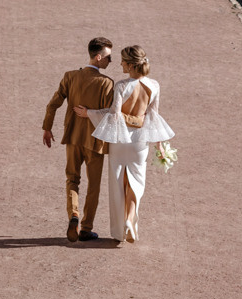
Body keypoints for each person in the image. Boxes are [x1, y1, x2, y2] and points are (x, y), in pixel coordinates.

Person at [74, 44, 174, 247]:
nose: (119, 63)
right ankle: (130, 219)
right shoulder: (154, 85)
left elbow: (114, 115)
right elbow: (153, 117)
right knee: (136, 182)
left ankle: (120, 229)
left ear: (129, 65)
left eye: (121, 61)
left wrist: (90, 113)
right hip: (140, 142)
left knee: (118, 184)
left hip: (120, 142)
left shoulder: (121, 85)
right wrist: (160, 145)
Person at [42, 36, 114, 242]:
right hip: (95, 141)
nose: (110, 61)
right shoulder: (107, 83)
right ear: (98, 57)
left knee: (72, 179)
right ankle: (86, 228)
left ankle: (73, 214)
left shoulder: (70, 76)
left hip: (72, 138)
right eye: (108, 57)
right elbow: (110, 114)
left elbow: (52, 105)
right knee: (93, 185)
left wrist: (47, 128)